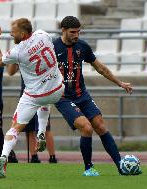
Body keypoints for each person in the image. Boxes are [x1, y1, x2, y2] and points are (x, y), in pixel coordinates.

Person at [53, 16, 139, 176]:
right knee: (86, 127)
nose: (76, 35)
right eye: (73, 32)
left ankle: (120, 165)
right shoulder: (52, 46)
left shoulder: (82, 46)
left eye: (78, 32)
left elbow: (101, 68)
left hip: (82, 94)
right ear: (63, 30)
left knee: (100, 125)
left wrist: (119, 83)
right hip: (63, 97)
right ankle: (89, 168)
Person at [0, 18, 64, 178]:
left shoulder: (18, 51)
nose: (10, 34)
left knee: (14, 127)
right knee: (47, 99)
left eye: (13, 32)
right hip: (57, 89)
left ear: (22, 33)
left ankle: (4, 156)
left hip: (35, 95)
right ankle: (41, 132)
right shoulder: (42, 34)